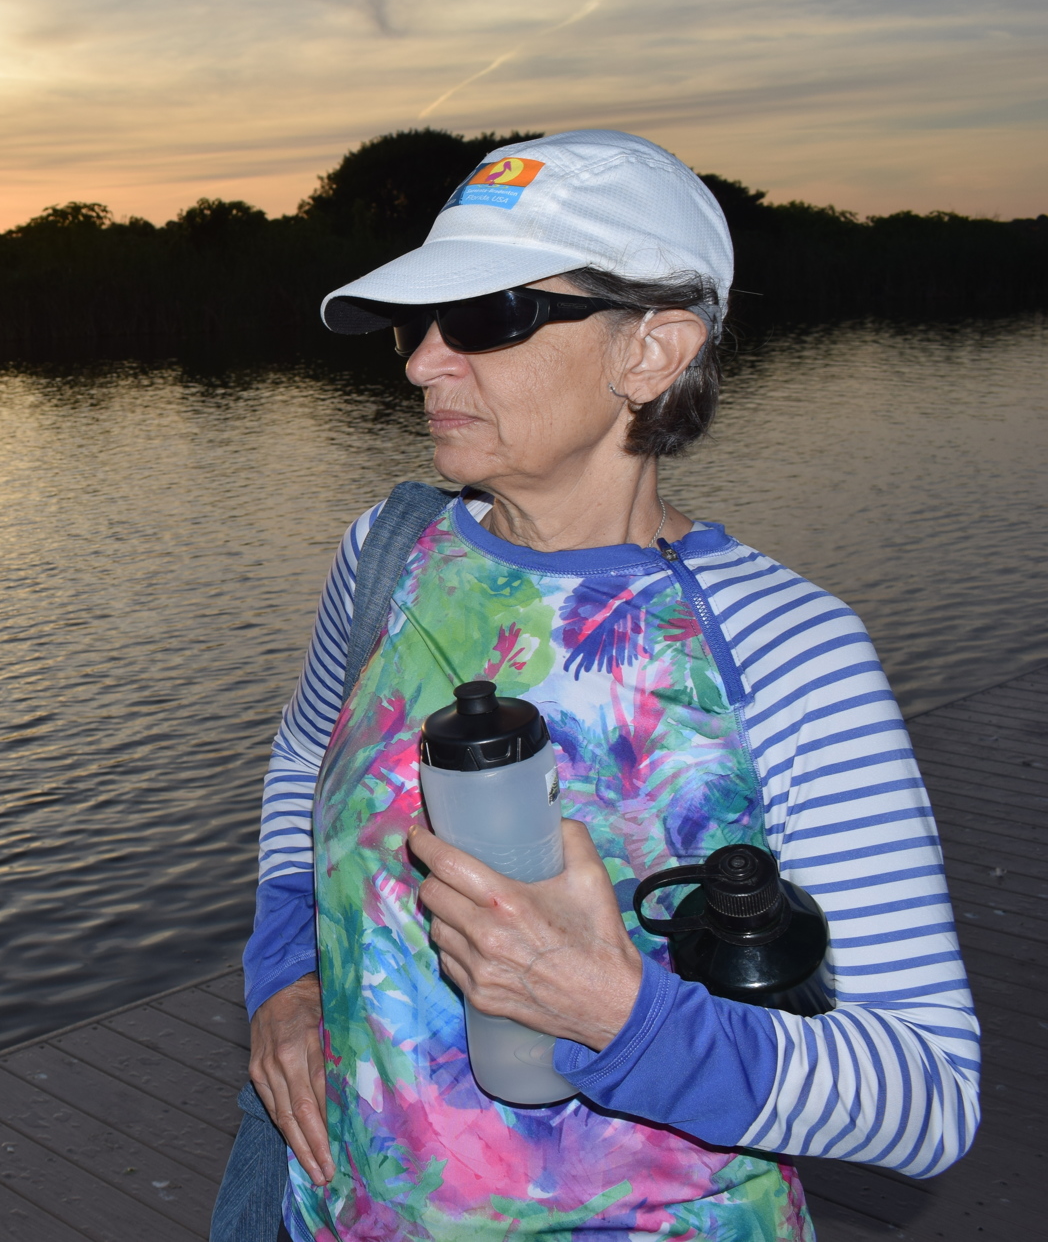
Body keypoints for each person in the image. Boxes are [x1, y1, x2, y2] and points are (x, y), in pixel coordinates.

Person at [226, 130, 980, 1241]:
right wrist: (284, 980)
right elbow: (302, 762)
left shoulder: (785, 647)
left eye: (484, 317)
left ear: (651, 350)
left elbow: (926, 1098)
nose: (422, 362)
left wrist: (617, 1015)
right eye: (413, 323)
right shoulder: (386, 553)